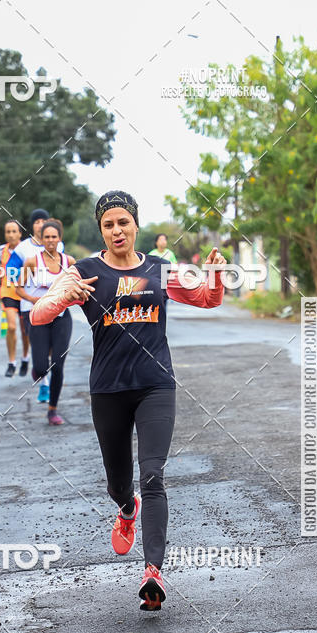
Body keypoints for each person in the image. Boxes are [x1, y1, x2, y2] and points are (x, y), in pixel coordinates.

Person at [30, 190, 226, 611]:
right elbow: (38, 314)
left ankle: (153, 572)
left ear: (136, 225)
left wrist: (216, 276)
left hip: (156, 385)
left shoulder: (160, 270)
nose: (117, 230)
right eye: (108, 224)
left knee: (153, 474)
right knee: (119, 483)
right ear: (101, 230)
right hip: (109, 390)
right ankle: (125, 508)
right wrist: (64, 296)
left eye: (123, 222)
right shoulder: (84, 271)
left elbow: (209, 299)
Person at [16, 219, 75, 425]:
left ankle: (52, 410)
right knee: (42, 367)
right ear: (41, 239)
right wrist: (33, 299)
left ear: (60, 239)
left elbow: (78, 284)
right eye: (47, 237)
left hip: (61, 318)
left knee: (58, 365)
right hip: (39, 317)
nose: (50, 240)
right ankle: (38, 371)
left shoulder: (69, 262)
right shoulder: (32, 262)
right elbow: (18, 288)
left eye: (54, 237)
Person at [6, 208, 64, 402]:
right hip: (30, 307)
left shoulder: (58, 245)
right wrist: (26, 278)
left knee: (51, 350)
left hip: (54, 308)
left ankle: (43, 375)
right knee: (39, 349)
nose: (40, 225)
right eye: (36, 222)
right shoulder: (23, 248)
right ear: (32, 226)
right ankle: (44, 383)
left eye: (43, 221)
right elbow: (10, 270)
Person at [0, 220, 29, 377]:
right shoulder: (2, 250)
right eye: (8, 232)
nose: (11, 235)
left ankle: (25, 358)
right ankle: (11, 362)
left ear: (20, 233)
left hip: (23, 292)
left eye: (14, 231)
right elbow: (2, 268)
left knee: (25, 330)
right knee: (11, 327)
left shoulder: (26, 249)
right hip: (7, 292)